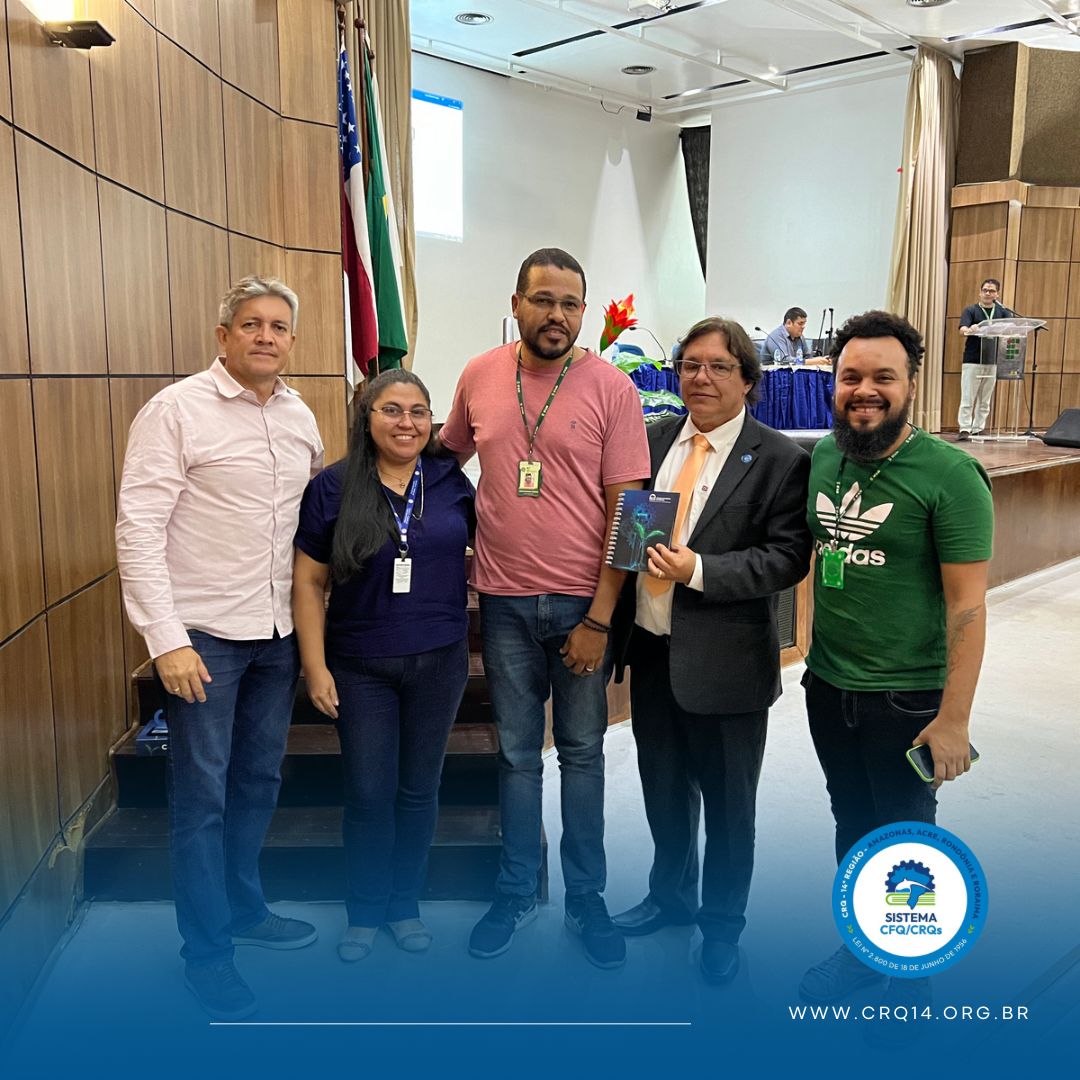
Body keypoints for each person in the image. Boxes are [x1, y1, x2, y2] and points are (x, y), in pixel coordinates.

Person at [115, 277, 324, 1020]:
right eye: (251, 324)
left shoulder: (301, 418)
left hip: (275, 637)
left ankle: (243, 908)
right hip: (202, 640)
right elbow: (138, 528)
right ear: (223, 334)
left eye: (278, 326)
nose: (266, 336)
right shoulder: (176, 411)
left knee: (258, 781)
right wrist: (165, 640)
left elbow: (308, 533)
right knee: (200, 799)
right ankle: (206, 952)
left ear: (291, 340)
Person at [440, 247, 650, 969]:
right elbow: (443, 463)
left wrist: (599, 618)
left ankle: (586, 897)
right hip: (500, 603)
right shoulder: (479, 374)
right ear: (517, 302)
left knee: (585, 754)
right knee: (517, 756)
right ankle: (517, 888)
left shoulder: (609, 387)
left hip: (581, 607)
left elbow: (633, 511)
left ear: (583, 313)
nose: (556, 315)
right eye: (543, 300)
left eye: (570, 303)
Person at [798, 310, 993, 1008]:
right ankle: (863, 953)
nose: (865, 390)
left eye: (883, 377)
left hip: (907, 698)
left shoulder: (950, 476)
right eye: (851, 376)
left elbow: (967, 608)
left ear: (912, 383)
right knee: (852, 825)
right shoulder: (825, 456)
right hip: (828, 685)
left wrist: (954, 719)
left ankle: (912, 983)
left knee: (907, 843)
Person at [610, 317, 812, 985]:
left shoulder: (780, 458)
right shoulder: (656, 437)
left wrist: (699, 569)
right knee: (663, 791)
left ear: (748, 381)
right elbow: (633, 531)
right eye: (690, 365)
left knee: (729, 808)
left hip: (727, 664)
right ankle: (670, 897)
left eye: (718, 366)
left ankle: (722, 926)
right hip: (653, 650)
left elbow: (786, 558)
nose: (699, 377)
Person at [292, 371, 473, 963]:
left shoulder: (449, 480)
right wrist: (315, 669)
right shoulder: (334, 487)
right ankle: (365, 909)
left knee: (419, 791)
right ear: (366, 417)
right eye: (391, 410)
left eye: (419, 411)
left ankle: (404, 904)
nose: (407, 423)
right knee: (370, 793)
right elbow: (310, 580)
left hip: (439, 660)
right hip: (359, 665)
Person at [957, 278, 1012, 439]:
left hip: (993, 359)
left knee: (985, 399)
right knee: (968, 396)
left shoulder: (1002, 312)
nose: (988, 293)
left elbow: (1010, 328)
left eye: (992, 291)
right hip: (973, 359)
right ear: (980, 292)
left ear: (997, 294)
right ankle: (965, 429)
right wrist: (970, 329)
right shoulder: (971, 310)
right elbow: (962, 330)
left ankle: (978, 428)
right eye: (985, 290)